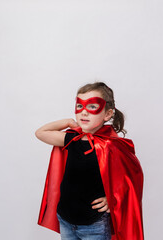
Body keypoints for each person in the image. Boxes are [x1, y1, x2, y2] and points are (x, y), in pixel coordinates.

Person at [35, 82, 144, 240]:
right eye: (80, 106)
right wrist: (67, 122)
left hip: (94, 224)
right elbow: (41, 133)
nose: (84, 112)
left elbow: (131, 179)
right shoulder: (72, 139)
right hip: (66, 219)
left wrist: (112, 198)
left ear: (107, 114)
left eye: (92, 107)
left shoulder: (111, 146)